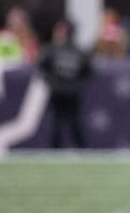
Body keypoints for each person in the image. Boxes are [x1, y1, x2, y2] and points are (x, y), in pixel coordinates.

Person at [37, 18, 93, 149]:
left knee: (74, 121)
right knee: (56, 121)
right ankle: (57, 148)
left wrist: (78, 84)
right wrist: (51, 81)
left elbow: (89, 70)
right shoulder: (51, 49)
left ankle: (79, 148)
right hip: (59, 92)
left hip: (70, 92)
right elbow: (42, 67)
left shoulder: (77, 51)